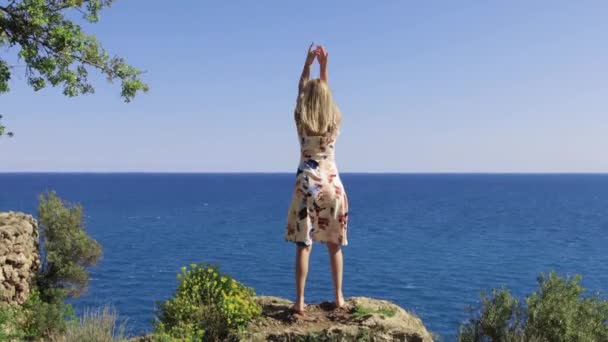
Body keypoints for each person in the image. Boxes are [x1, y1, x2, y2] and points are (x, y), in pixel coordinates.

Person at [285, 43, 349, 315]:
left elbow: (302, 93)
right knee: (334, 244)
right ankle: (338, 297)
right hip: (332, 186)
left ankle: (299, 302)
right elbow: (326, 99)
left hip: (307, 184)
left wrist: (308, 66)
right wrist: (324, 70)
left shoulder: (302, 121)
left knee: (304, 245)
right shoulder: (334, 121)